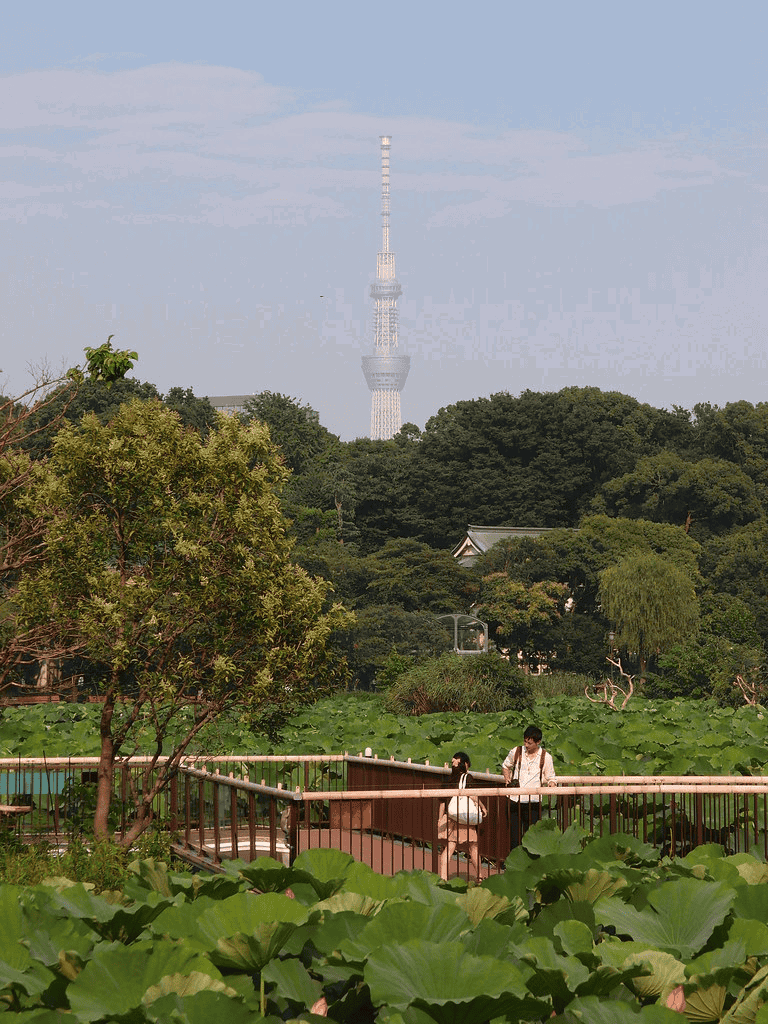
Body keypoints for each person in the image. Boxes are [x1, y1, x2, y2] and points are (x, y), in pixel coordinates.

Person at [502, 725, 557, 848]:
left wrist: (551, 784)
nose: (526, 745)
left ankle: (530, 863)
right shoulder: (516, 751)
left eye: (530, 743)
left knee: (531, 836)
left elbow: (551, 777)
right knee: (514, 835)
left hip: (533, 801)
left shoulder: (546, 757)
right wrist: (507, 778)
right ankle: (515, 862)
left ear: (538, 742)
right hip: (514, 799)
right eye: (525, 741)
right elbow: (506, 766)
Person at [437, 751, 486, 881]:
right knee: (473, 847)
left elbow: (442, 802)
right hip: (464, 817)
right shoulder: (467, 777)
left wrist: (439, 819)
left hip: (452, 816)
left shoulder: (448, 779)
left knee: (449, 848)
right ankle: (480, 876)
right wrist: (482, 806)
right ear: (465, 764)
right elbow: (473, 795)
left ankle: (443, 877)